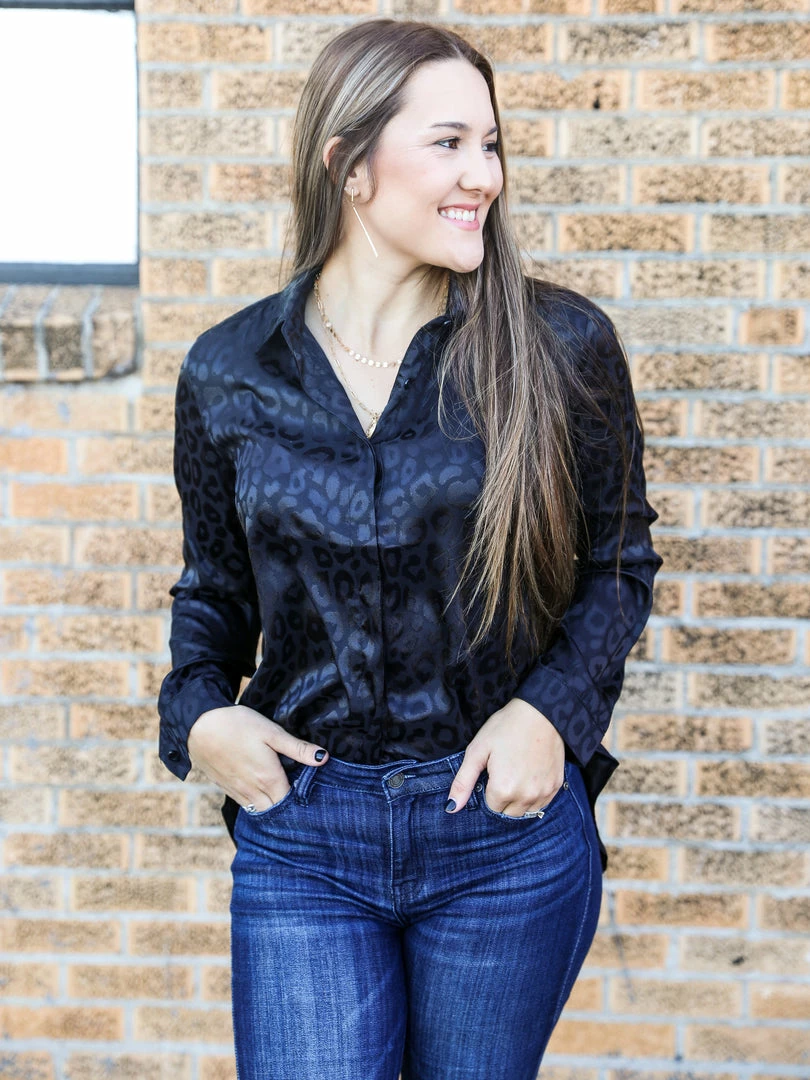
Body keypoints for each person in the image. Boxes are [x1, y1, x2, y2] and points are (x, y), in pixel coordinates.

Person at [157, 17, 663, 1080]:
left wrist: (550, 713)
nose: (485, 175)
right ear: (349, 163)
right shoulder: (230, 371)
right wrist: (199, 713)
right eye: (448, 143)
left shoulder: (562, 347)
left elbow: (618, 564)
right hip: (306, 838)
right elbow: (214, 590)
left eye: (492, 144)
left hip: (501, 834)